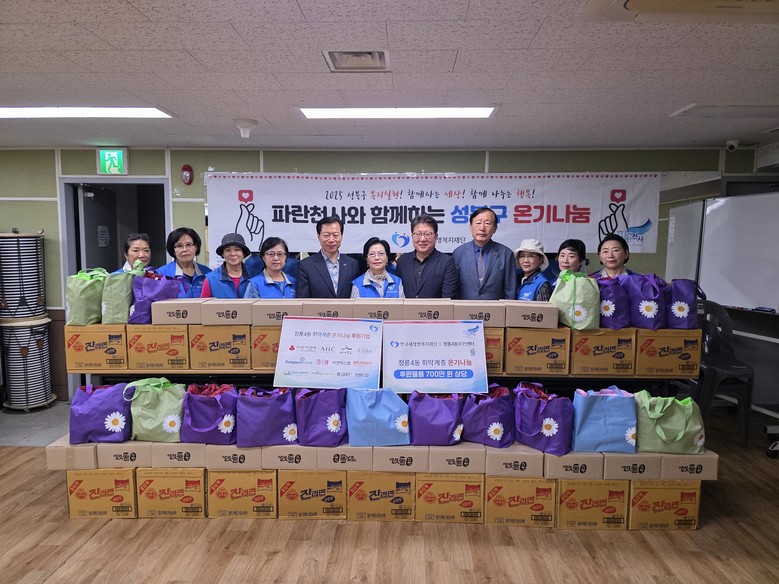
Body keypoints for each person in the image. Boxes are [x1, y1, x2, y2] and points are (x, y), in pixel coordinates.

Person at [452, 207, 516, 300]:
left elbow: (510, 290)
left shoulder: (506, 254)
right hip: (465, 307)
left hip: (496, 308)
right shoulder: (459, 253)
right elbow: (453, 287)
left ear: (495, 228)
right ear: (470, 227)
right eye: (478, 223)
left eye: (487, 223)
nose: (482, 228)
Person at [296, 215, 360, 298]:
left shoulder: (352, 264)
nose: (331, 240)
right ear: (318, 237)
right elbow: (302, 299)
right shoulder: (306, 266)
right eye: (326, 235)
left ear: (341, 236)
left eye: (335, 235)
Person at [395, 213, 458, 298]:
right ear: (412, 236)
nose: (422, 239)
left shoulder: (446, 262)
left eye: (427, 234)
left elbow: (448, 297)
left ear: (436, 237)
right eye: (418, 234)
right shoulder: (403, 261)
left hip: (436, 307)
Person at [156, 227, 211, 298]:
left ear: (196, 247)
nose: (185, 249)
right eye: (179, 246)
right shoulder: (161, 274)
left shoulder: (207, 274)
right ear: (173, 250)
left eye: (188, 245)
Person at [200, 233, 252, 298]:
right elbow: (204, 304)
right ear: (223, 254)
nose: (233, 254)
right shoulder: (211, 279)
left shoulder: (253, 276)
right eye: (228, 250)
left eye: (237, 250)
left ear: (243, 253)